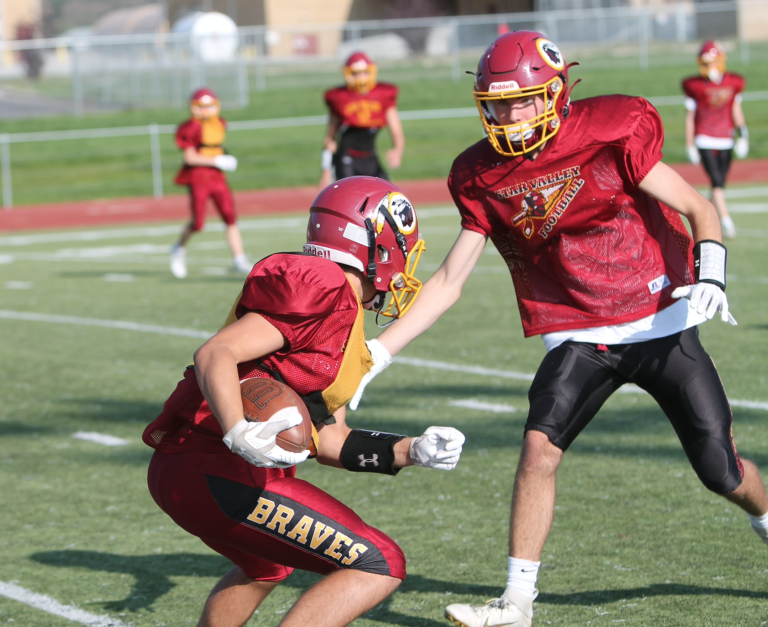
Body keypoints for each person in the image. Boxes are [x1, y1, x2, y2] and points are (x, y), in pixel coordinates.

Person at [348, 31, 768, 627]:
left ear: (554, 94)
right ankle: (517, 601)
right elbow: (448, 280)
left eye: (522, 100)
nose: (509, 116)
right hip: (581, 331)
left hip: (660, 319)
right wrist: (378, 353)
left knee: (720, 471)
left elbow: (699, 208)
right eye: (497, 104)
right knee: (538, 448)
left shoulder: (609, 131)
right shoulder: (481, 173)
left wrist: (713, 277)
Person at [143, 176, 465, 627]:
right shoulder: (322, 285)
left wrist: (412, 450)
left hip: (189, 471)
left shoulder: (345, 314)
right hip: (216, 468)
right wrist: (237, 430)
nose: (405, 264)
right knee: (380, 563)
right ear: (377, 245)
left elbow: (331, 440)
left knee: (266, 568)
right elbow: (215, 353)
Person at [170, 87, 251, 279]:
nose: (205, 110)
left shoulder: (219, 123)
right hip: (198, 176)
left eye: (209, 106)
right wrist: (217, 161)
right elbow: (190, 157)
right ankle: (178, 249)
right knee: (198, 223)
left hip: (217, 176)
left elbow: (215, 147)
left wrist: (224, 158)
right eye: (202, 106)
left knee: (229, 216)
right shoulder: (190, 127)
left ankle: (239, 259)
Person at [682, 40, 748, 239]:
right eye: (705, 62)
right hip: (704, 138)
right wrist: (689, 144)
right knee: (717, 183)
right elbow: (690, 117)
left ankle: (705, 217)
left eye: (711, 61)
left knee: (717, 185)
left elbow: (736, 109)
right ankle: (726, 222)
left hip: (726, 138)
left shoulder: (734, 82)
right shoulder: (694, 85)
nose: (709, 66)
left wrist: (743, 134)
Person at [319, 52, 405, 189]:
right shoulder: (339, 97)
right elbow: (330, 141)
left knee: (387, 192)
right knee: (349, 194)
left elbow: (396, 129)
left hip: (370, 156)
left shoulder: (383, 95)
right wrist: (326, 171)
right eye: (355, 73)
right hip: (346, 158)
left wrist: (398, 149)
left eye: (364, 73)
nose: (360, 77)